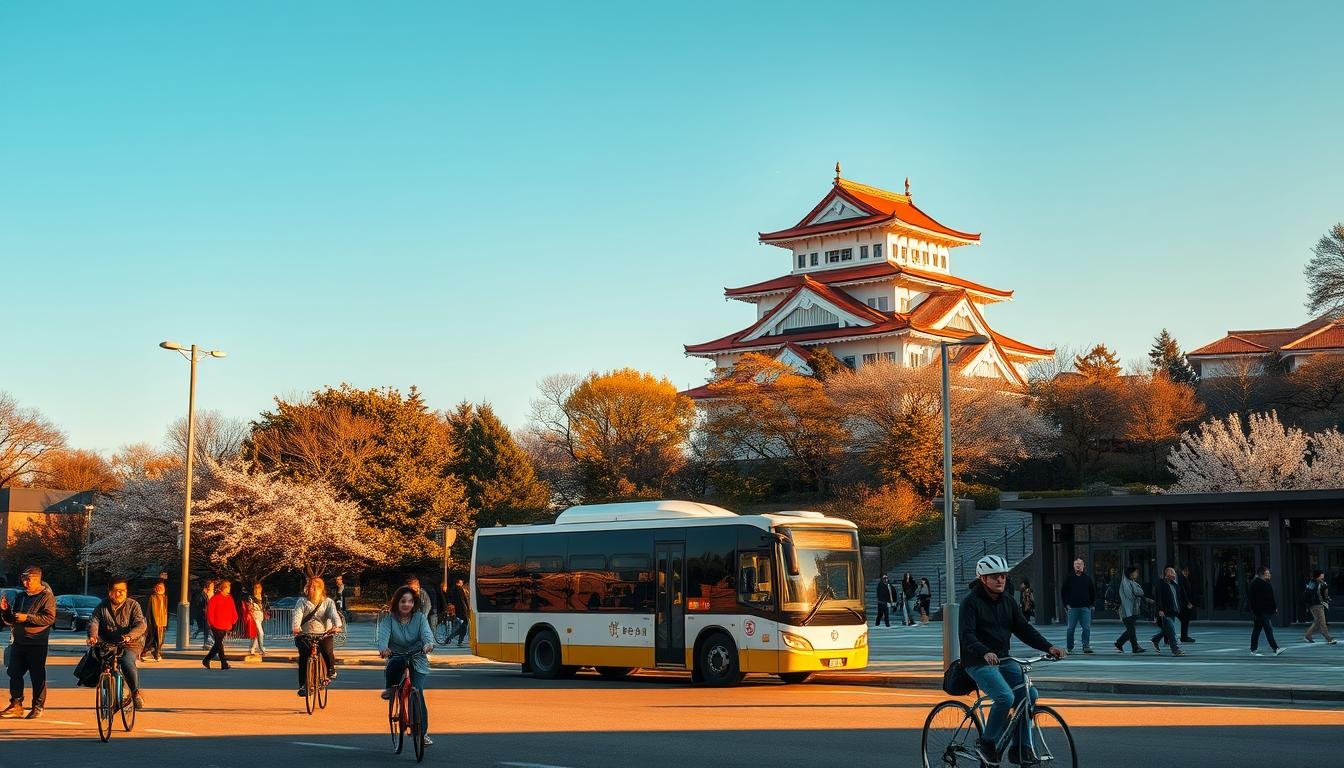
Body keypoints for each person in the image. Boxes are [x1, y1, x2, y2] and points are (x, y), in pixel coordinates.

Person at [960, 554, 1065, 767]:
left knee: (1029, 694)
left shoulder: (1007, 600)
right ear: (983, 579)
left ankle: (1020, 749)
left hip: (1003, 659)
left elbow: (1023, 629)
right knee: (1005, 697)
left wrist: (1048, 647)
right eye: (994, 577)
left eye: (1003, 576)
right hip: (977, 661)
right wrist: (984, 652)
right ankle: (987, 743)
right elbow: (967, 635)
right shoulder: (970, 603)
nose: (1000, 580)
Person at [379, 585, 436, 746]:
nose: (407, 604)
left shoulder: (419, 618)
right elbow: (383, 637)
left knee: (418, 691)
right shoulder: (389, 619)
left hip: (418, 657)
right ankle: (390, 689)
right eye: (403, 601)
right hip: (396, 655)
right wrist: (384, 649)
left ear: (414, 603)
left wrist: (428, 644)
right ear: (397, 602)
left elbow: (426, 634)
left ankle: (422, 733)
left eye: (410, 601)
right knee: (393, 666)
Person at [0, 566, 56, 719]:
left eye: (28, 579)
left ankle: (38, 707)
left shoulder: (46, 596)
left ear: (37, 579)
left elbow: (49, 618)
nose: (25, 582)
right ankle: (16, 705)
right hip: (19, 642)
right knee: (14, 673)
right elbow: (12, 620)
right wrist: (5, 611)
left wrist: (28, 617)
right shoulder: (21, 596)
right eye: (23, 579)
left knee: (37, 676)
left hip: (37, 643)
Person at [87, 577, 148, 710]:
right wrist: (93, 636)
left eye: (123, 591)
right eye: (116, 591)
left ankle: (135, 692)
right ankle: (109, 695)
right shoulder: (102, 606)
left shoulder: (133, 605)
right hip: (108, 642)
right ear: (109, 592)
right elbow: (94, 622)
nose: (119, 594)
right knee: (98, 661)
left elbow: (141, 624)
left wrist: (129, 636)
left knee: (126, 661)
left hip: (130, 643)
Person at [292, 577, 344, 697]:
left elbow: (334, 615)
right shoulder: (302, 601)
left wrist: (337, 626)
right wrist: (296, 627)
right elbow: (297, 615)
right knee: (304, 657)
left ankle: (330, 670)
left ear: (321, 589)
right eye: (310, 587)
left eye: (314, 588)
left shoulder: (328, 602)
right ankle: (303, 685)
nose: (311, 590)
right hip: (305, 633)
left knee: (326, 650)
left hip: (324, 633)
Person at [1060, 557, 1096, 654]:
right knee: (1070, 629)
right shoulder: (1069, 578)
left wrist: (1092, 604)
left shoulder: (1087, 579)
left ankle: (1086, 646)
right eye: (1076, 564)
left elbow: (1092, 592)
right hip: (1073, 608)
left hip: (1085, 608)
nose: (1078, 566)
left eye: (1080, 564)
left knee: (1086, 628)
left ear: (1084, 566)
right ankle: (1070, 647)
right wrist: (1065, 604)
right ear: (1074, 566)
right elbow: (1063, 592)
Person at [1149, 566, 1185, 656]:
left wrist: (1179, 608)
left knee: (1167, 630)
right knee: (1171, 631)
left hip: (1174, 611)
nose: (1174, 574)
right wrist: (1160, 610)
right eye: (1171, 573)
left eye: (1174, 573)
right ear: (1166, 574)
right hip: (1165, 611)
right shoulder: (1161, 584)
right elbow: (1158, 598)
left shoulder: (1175, 585)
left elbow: (1177, 598)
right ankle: (1175, 650)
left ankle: (1155, 640)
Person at [1248, 566, 1284, 657]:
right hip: (1263, 612)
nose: (1269, 575)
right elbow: (1265, 599)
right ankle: (1276, 648)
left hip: (1260, 611)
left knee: (1257, 630)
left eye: (1269, 573)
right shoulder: (1262, 584)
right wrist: (1273, 608)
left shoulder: (1257, 583)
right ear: (1262, 575)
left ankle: (1253, 649)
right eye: (1267, 573)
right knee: (1268, 629)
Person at [203, 580, 238, 670]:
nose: (229, 588)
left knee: (218, 644)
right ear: (224, 588)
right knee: (219, 644)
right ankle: (224, 663)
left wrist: (234, 619)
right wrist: (211, 622)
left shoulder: (229, 598)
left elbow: (233, 610)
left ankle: (207, 659)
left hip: (225, 624)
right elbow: (210, 611)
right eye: (228, 587)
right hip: (216, 624)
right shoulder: (216, 598)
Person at [1113, 566, 1147, 654]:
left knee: (1130, 630)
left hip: (1131, 610)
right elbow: (1134, 594)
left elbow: (1140, 592)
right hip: (1127, 611)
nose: (1137, 574)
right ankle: (1135, 647)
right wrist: (1138, 593)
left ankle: (1119, 643)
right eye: (1136, 572)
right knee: (1131, 629)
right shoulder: (1126, 583)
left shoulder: (1132, 582)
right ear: (1130, 573)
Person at [1304, 569, 1336, 644]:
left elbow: (1323, 593)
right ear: (1317, 576)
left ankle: (1308, 636)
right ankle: (1329, 638)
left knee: (1317, 622)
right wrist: (1310, 603)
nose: (1323, 578)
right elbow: (1307, 594)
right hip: (1315, 605)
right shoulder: (1312, 583)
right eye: (1321, 576)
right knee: (1322, 622)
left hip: (1318, 604)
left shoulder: (1319, 583)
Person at [141, 580, 169, 662]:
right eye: (159, 587)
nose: (160, 589)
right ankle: (149, 652)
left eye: (162, 587)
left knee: (160, 639)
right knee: (152, 638)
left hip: (162, 621)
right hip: (153, 621)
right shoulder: (152, 597)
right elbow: (148, 610)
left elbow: (165, 610)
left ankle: (156, 652)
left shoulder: (164, 597)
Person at [1177, 565, 1199, 643]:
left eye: (1187, 571)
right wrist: (1188, 603)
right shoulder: (1181, 580)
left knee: (1185, 621)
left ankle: (1184, 636)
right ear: (1182, 571)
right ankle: (1183, 637)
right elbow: (1183, 593)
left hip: (1186, 603)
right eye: (1185, 571)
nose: (1187, 572)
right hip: (1184, 604)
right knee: (1184, 621)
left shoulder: (1186, 579)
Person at [246, 583, 268, 656]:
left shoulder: (263, 597)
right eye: (256, 588)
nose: (257, 589)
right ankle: (261, 648)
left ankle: (252, 648)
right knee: (260, 632)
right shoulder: (251, 597)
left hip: (260, 616)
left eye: (258, 588)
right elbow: (249, 607)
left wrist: (266, 613)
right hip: (254, 616)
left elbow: (266, 606)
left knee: (256, 633)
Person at [194, 580, 216, 649]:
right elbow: (199, 602)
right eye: (211, 585)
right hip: (206, 613)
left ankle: (209, 643)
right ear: (208, 586)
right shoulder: (203, 594)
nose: (213, 587)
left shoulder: (214, 593)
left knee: (212, 628)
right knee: (208, 629)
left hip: (213, 613)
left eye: (213, 585)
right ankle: (207, 643)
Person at [448, 577, 469, 646]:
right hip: (462, 610)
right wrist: (467, 608)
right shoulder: (460, 589)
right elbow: (463, 600)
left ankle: (452, 638)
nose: (462, 582)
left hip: (458, 610)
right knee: (464, 626)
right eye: (462, 581)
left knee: (462, 626)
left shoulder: (453, 589)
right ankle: (459, 640)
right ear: (459, 581)